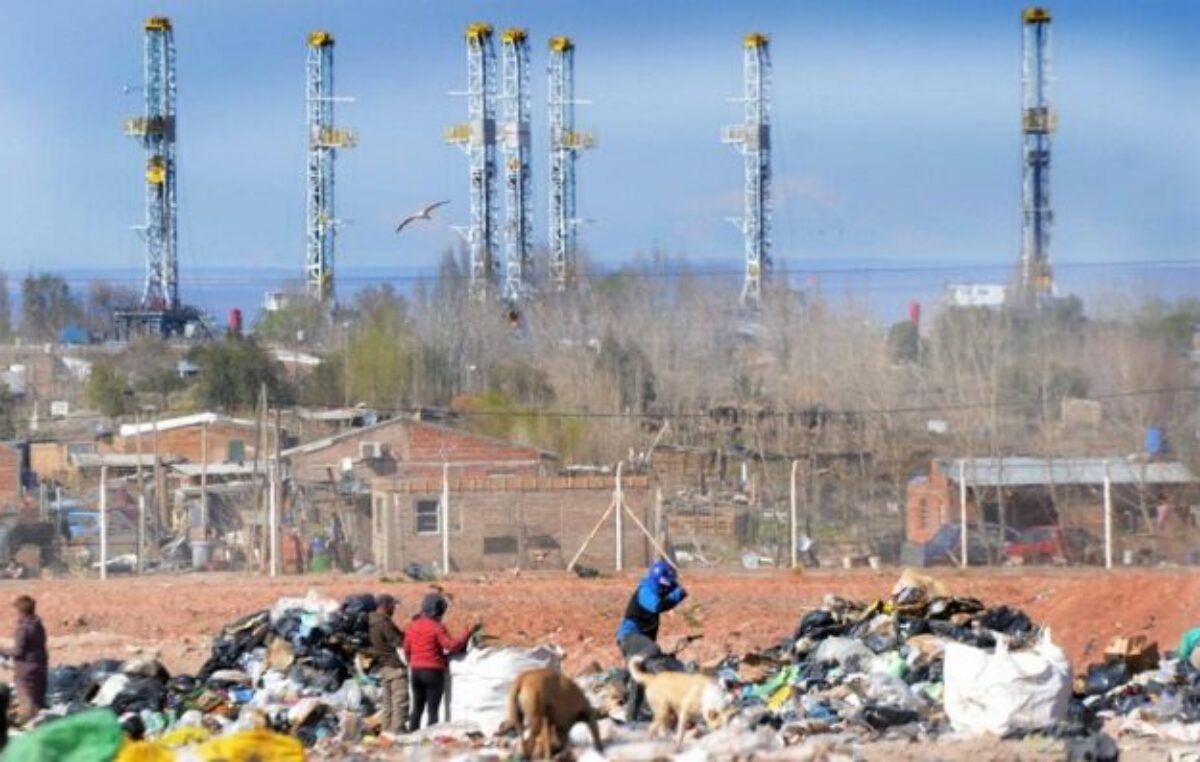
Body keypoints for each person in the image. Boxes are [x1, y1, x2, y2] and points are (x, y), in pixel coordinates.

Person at [615, 560, 687, 722]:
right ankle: (619, 678)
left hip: (639, 643)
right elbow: (656, 606)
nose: (667, 588)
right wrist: (676, 595)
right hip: (629, 637)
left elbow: (672, 589)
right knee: (653, 650)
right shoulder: (647, 588)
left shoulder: (658, 587)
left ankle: (630, 721)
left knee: (639, 682)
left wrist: (678, 591)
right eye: (666, 585)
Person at [403, 593, 478, 731]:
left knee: (417, 708)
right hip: (433, 671)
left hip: (415, 672)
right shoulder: (436, 627)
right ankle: (429, 739)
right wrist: (466, 634)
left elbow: (406, 648)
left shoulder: (412, 626)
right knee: (433, 710)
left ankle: (411, 736)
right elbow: (450, 645)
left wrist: (412, 662)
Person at [0, 595, 47, 724]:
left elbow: (18, 651)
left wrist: (2, 650)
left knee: (25, 697)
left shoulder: (22, 629)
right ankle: (39, 722)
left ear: (20, 612)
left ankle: (26, 723)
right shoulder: (38, 625)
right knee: (37, 697)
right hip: (40, 665)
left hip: (25, 669)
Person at [367, 594, 408, 736]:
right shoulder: (384, 623)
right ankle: (397, 733)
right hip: (395, 667)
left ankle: (386, 732)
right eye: (393, 605)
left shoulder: (371, 622)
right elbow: (398, 642)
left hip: (384, 667)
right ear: (385, 606)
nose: (394, 608)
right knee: (400, 702)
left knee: (388, 704)